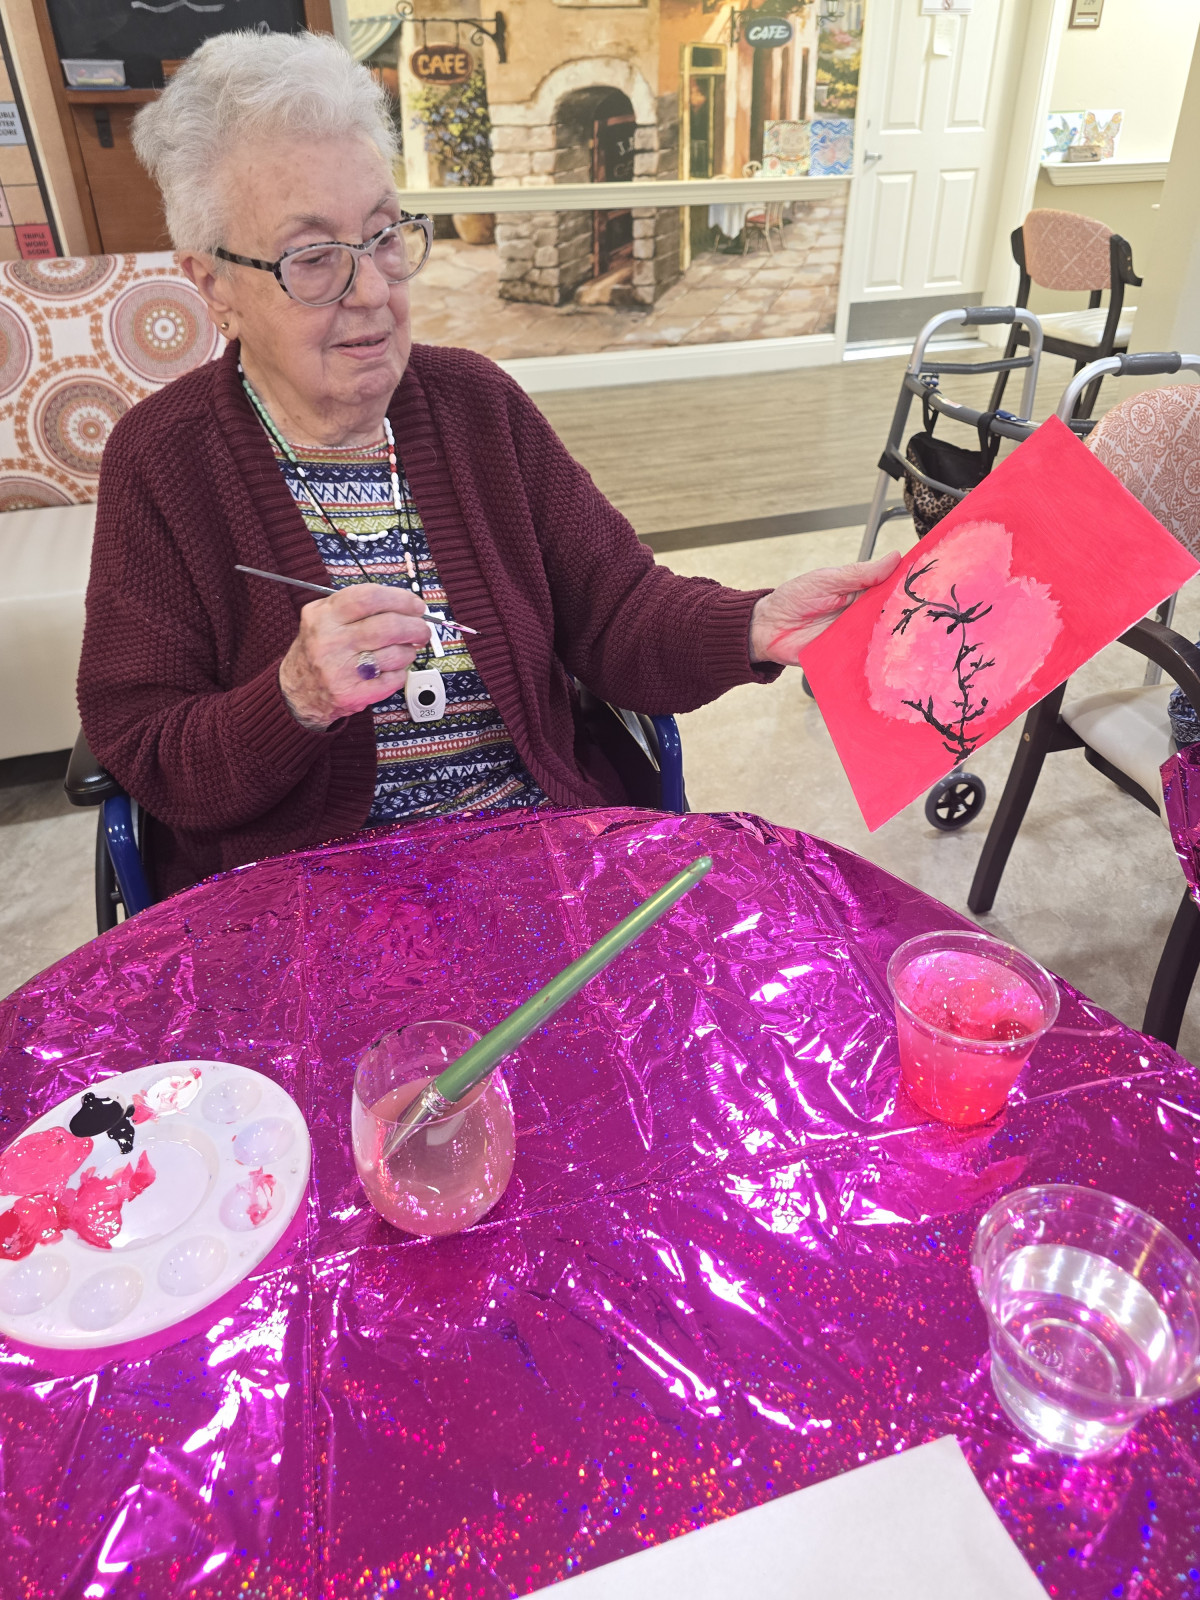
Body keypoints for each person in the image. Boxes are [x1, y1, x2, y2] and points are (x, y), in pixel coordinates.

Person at [78, 29, 899, 899]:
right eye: (313, 259)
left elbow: (617, 608)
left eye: (385, 237)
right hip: (306, 899)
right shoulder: (163, 459)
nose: (373, 291)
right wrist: (293, 698)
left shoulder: (477, 404)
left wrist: (753, 622)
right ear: (214, 286)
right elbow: (145, 746)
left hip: (536, 855)